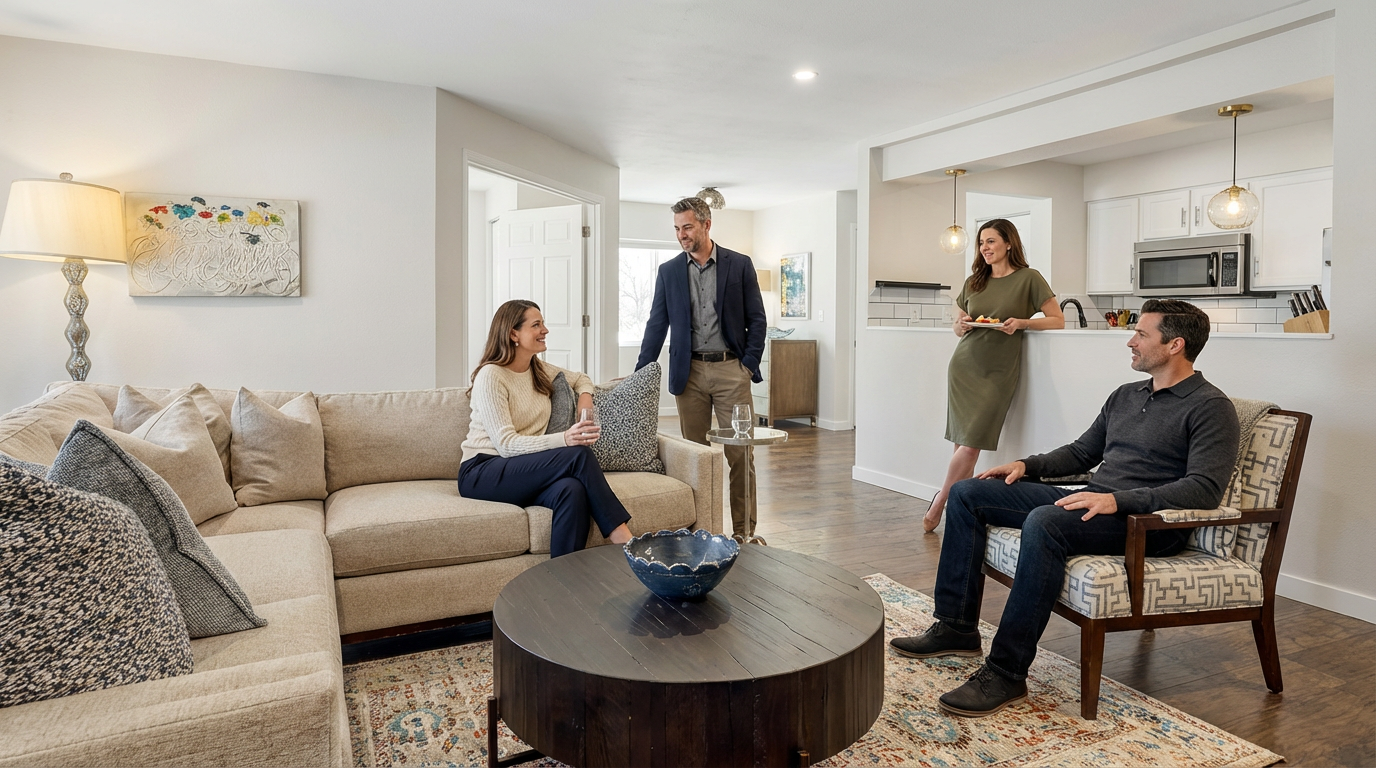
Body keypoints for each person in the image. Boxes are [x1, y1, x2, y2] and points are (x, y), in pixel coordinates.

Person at [891, 299, 1240, 718]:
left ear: (1174, 345)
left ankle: (1006, 671)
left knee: (1046, 522)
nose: (1130, 341)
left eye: (1142, 334)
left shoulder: (1210, 407)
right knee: (969, 492)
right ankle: (956, 626)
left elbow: (1203, 490)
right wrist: (1026, 466)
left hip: (1144, 525)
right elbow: (1081, 453)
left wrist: (1116, 499)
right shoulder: (1127, 395)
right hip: (1094, 501)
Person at [459, 299, 634, 558]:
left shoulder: (537, 368)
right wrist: (565, 438)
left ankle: (564, 579)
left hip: (523, 468)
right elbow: (506, 445)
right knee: (579, 454)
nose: (545, 330)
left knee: (571, 491)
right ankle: (621, 535)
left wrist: (585, 399)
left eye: (543, 323)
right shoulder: (492, 375)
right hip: (483, 471)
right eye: (536, 325)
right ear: (513, 334)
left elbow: (581, 378)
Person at [636, 197, 768, 541]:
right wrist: (640, 373)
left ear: (707, 225)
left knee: (740, 455)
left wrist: (747, 365)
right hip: (688, 374)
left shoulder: (739, 265)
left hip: (730, 372)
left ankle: (744, 534)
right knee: (694, 457)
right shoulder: (668, 272)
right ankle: (701, 535)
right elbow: (656, 324)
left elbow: (757, 319)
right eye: (677, 228)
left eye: (688, 227)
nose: (681, 234)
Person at [924, 219, 1065, 533]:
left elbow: (1057, 320)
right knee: (963, 443)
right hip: (965, 366)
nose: (985, 248)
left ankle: (941, 499)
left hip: (998, 371)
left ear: (1009, 243)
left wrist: (1022, 323)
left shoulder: (1029, 279)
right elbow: (959, 323)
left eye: (990, 241)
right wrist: (959, 326)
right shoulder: (975, 280)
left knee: (972, 444)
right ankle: (957, 503)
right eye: (981, 243)